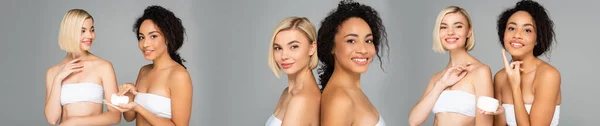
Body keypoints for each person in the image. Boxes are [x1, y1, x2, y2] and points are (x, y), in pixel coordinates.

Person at [105, 5, 193, 126]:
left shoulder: (179, 75)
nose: (145, 44)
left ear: (167, 38)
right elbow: (130, 117)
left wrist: (139, 108)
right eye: (141, 37)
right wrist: (130, 93)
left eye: (153, 36)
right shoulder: (144, 71)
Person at [44, 9, 121, 125]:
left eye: (92, 30)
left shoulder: (104, 67)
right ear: (70, 32)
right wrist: (58, 79)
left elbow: (115, 116)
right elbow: (52, 119)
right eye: (82, 31)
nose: (90, 35)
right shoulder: (53, 72)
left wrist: (76, 122)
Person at [318, 0, 389, 125]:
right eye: (351, 41)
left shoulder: (351, 91)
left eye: (368, 41)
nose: (363, 50)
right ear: (332, 47)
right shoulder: (340, 100)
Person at [493, 0, 561, 125]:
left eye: (527, 30)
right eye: (511, 28)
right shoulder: (500, 77)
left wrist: (515, 87)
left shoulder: (548, 75)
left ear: (537, 39)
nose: (517, 35)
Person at [265, 17, 321, 126]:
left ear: (312, 48)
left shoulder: (302, 99)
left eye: (294, 47)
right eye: (278, 48)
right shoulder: (288, 92)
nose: (284, 56)